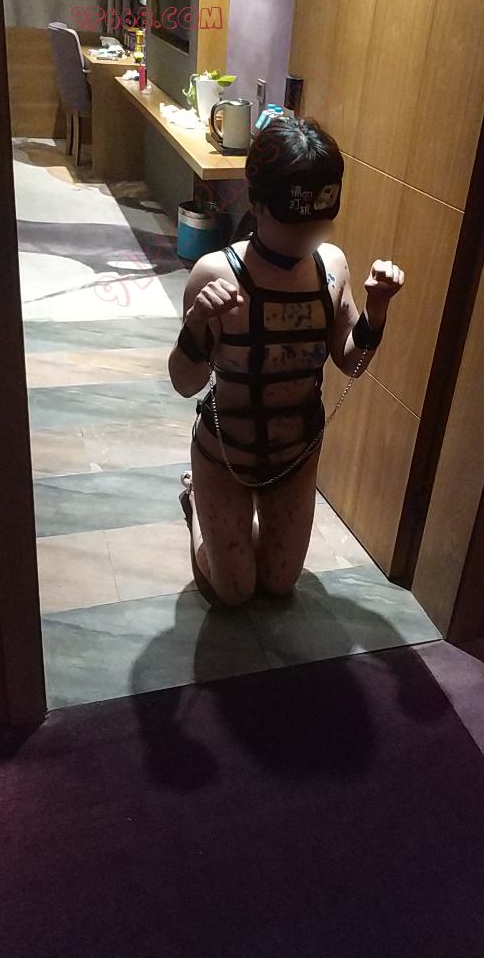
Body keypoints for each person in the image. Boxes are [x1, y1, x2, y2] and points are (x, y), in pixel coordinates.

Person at [168, 117, 405, 608]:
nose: (307, 238)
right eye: (294, 225)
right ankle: (198, 506)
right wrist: (196, 322)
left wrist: (377, 310)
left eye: (319, 225)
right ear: (256, 204)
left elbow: (351, 364)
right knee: (233, 592)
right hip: (226, 453)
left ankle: (229, 526)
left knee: (279, 584)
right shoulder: (216, 273)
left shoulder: (331, 267)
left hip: (295, 453)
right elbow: (185, 383)